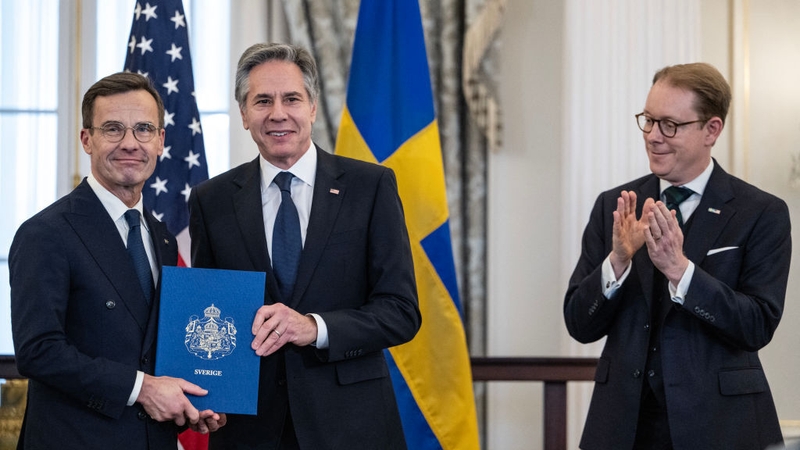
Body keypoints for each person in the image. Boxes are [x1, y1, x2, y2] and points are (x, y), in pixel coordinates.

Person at [188, 42, 421, 450]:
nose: (278, 113)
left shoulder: (370, 187)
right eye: (262, 101)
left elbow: (401, 312)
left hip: (352, 424)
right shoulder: (212, 200)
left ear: (312, 107)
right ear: (244, 114)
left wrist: (314, 327)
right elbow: (211, 307)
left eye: (291, 98)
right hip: (248, 429)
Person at [564, 62, 789, 450]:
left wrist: (681, 272)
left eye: (670, 124)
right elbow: (579, 325)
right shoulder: (615, 206)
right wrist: (616, 262)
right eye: (648, 120)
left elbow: (757, 324)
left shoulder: (761, 212)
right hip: (622, 427)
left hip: (719, 426)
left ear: (711, 130)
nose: (653, 136)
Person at [10, 72, 225, 449]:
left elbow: (157, 346)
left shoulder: (160, 237)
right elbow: (38, 351)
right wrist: (143, 389)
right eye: (113, 129)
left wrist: (193, 400)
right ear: (86, 140)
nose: (130, 143)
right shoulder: (45, 233)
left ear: (160, 141)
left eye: (143, 129)